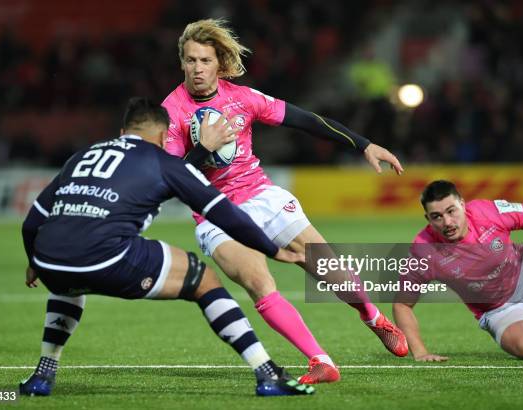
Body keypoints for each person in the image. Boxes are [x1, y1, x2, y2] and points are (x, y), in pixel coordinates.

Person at [162, 19, 408, 384]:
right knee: (259, 283)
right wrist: (203, 150)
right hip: (214, 212)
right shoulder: (172, 111)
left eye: (205, 61)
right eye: (190, 60)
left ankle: (372, 316)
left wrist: (364, 144)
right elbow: (171, 179)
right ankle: (320, 361)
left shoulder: (242, 98)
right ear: (182, 62)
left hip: (261, 195)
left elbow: (305, 120)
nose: (197, 69)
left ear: (220, 63)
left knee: (329, 271)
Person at [19, 97, 316, 397]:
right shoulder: (164, 162)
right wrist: (273, 249)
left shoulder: (82, 156)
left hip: (50, 259)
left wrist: (35, 261)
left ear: (124, 131)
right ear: (163, 136)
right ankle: (266, 373)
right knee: (204, 280)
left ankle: (43, 374)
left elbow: (32, 223)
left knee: (68, 279)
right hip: (108, 257)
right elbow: (225, 215)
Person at [393, 180, 523, 361]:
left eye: (451, 211)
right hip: (498, 309)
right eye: (437, 216)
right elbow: (402, 305)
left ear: (462, 204)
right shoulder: (423, 250)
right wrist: (420, 352)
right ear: (428, 219)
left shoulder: (487, 211)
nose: (447, 222)